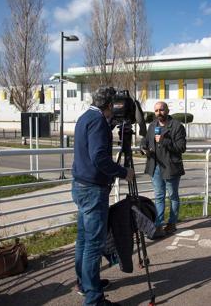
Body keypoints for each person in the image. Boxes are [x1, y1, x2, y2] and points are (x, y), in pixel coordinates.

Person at [71, 87, 135, 306]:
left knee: (83, 240)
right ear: (109, 105)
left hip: (81, 185)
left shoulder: (85, 117)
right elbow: (99, 157)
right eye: (114, 105)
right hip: (93, 190)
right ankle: (94, 299)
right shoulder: (98, 122)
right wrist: (123, 172)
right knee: (93, 244)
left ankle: (85, 282)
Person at [141, 101, 187, 238]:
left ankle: (172, 223)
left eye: (161, 110)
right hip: (155, 166)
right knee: (159, 197)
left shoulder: (177, 126)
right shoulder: (152, 125)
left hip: (171, 167)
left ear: (167, 110)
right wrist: (143, 147)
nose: (158, 113)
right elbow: (146, 141)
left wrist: (163, 141)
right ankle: (158, 225)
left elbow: (181, 148)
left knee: (173, 196)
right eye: (156, 111)